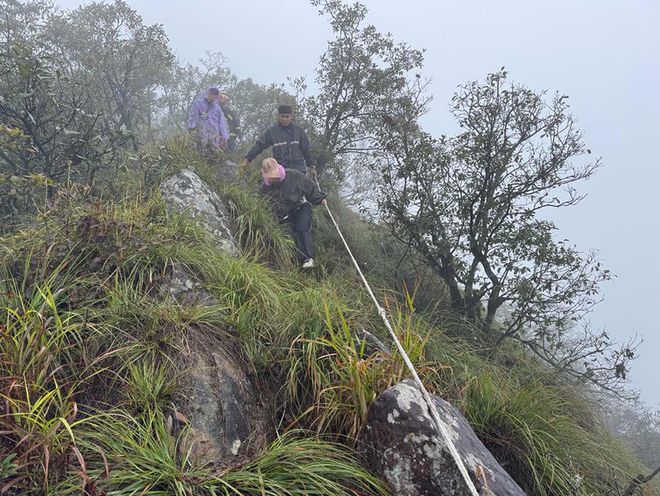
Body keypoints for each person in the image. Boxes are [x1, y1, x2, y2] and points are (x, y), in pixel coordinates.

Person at [260, 158, 326, 268]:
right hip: (284, 216)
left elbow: (310, 187)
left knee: (302, 228)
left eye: (276, 177)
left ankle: (309, 258)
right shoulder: (264, 188)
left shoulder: (294, 175)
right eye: (271, 179)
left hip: (301, 207)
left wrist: (319, 199)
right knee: (289, 236)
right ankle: (296, 263)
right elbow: (259, 202)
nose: (274, 180)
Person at [243, 104, 317, 176]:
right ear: (278, 116)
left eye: (287, 116)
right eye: (282, 116)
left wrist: (312, 166)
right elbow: (259, 145)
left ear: (291, 117)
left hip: (299, 170)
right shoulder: (272, 132)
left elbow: (307, 150)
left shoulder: (299, 131)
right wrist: (247, 159)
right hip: (280, 171)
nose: (285, 119)